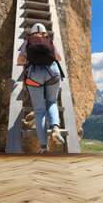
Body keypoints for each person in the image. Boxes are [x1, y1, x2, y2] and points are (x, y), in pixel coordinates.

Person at [17, 22, 65, 154]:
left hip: (34, 76)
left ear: (31, 33)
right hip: (52, 73)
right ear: (45, 33)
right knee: (52, 102)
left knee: (39, 111)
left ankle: (43, 147)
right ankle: (55, 128)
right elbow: (59, 58)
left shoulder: (27, 43)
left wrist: (28, 60)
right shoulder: (49, 42)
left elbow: (20, 60)